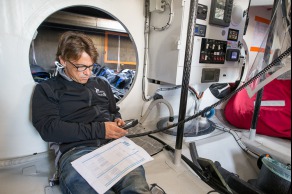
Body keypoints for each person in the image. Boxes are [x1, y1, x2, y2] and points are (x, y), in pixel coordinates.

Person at [32, 31, 151, 194]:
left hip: (113, 146)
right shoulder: (47, 89)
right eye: (81, 67)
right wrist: (101, 130)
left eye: (91, 66)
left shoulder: (102, 84)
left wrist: (117, 120)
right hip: (76, 152)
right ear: (63, 60)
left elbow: (113, 111)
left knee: (137, 187)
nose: (87, 73)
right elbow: (49, 129)